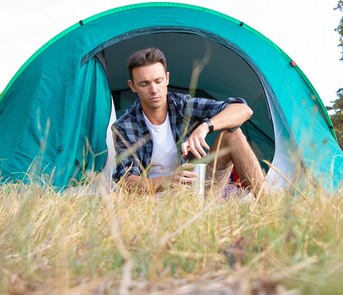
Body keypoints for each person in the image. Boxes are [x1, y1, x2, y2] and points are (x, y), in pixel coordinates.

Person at [112, 47, 266, 197]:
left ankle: (266, 205)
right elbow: (126, 182)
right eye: (144, 84)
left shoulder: (183, 105)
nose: (154, 90)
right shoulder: (125, 125)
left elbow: (243, 109)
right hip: (155, 203)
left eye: (158, 81)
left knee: (233, 135)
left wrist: (205, 127)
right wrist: (168, 181)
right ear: (132, 86)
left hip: (197, 189)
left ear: (167, 78)